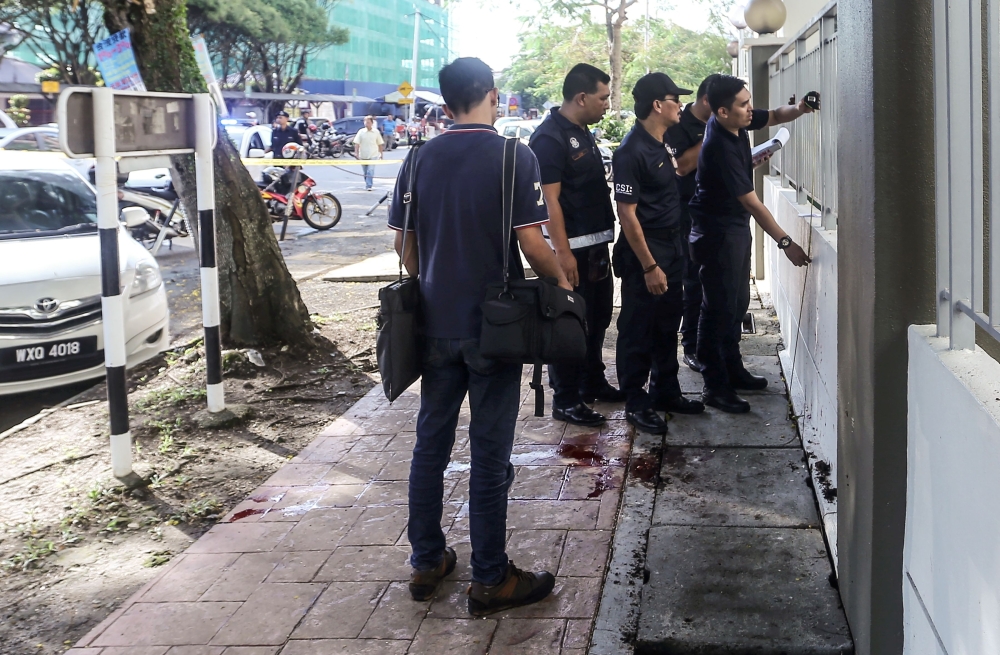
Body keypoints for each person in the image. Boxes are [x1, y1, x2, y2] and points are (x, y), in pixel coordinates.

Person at [388, 57, 568, 615]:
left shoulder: (418, 158)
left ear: (444, 106)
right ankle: (490, 578)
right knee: (489, 456)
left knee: (430, 447)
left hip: (434, 329)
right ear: (493, 96)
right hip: (495, 332)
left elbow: (406, 251)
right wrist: (562, 281)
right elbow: (533, 244)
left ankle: (426, 561)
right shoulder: (515, 155)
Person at [688, 74, 813, 414]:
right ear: (723, 112)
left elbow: (773, 115)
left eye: (748, 101)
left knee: (737, 302)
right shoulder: (720, 147)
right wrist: (786, 242)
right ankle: (715, 386)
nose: (750, 109)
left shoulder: (736, 121)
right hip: (717, 232)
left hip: (733, 227)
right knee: (717, 309)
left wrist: (799, 109)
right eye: (743, 105)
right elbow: (753, 203)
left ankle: (733, 369)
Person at [528, 63, 626, 427]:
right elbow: (549, 200)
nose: (606, 104)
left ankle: (592, 381)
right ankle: (566, 399)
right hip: (573, 252)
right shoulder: (549, 138)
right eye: (602, 98)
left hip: (596, 247)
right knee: (570, 324)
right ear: (582, 97)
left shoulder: (582, 131)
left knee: (598, 318)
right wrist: (562, 252)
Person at [612, 73, 707, 435]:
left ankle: (666, 391)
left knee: (668, 323)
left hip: (672, 246)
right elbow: (627, 214)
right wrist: (649, 265)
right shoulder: (631, 150)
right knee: (638, 328)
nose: (679, 105)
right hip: (646, 251)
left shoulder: (663, 143)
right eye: (674, 99)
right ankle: (636, 401)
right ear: (657, 105)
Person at [666, 73, 720, 373]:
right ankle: (691, 345)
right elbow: (684, 166)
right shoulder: (679, 126)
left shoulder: (715, 125)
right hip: (686, 211)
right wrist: (714, 133)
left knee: (713, 280)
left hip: (714, 210)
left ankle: (713, 343)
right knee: (692, 278)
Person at [354, 115, 384, 190]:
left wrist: (381, 154)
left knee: (370, 171)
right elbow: (357, 143)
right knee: (365, 172)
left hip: (373, 154)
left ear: (372, 123)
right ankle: (368, 182)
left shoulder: (376, 132)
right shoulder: (361, 132)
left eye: (368, 122)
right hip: (363, 155)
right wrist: (356, 153)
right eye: (365, 122)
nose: (366, 123)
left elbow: (380, 143)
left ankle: (369, 185)